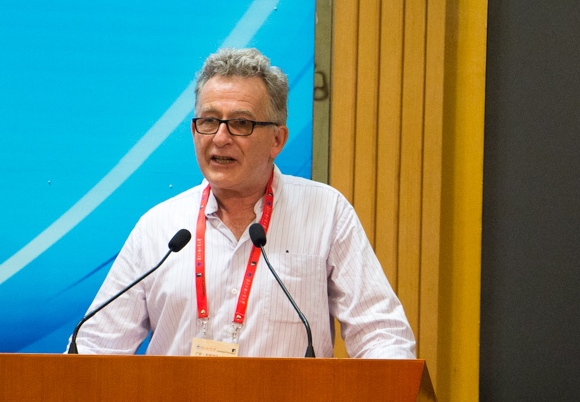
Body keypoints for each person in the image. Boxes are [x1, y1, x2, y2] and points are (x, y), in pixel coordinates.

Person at [71, 48, 415, 359]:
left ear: (277, 139)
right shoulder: (160, 227)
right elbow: (95, 346)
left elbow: (382, 334)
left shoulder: (327, 213)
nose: (220, 138)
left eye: (240, 123)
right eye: (209, 121)